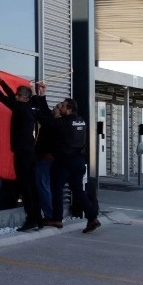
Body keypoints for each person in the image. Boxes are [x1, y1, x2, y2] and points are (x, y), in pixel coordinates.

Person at [0, 69, 42, 231]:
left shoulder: (21, 109)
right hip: (29, 153)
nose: (16, 96)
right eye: (17, 95)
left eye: (19, 95)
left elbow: (1, 97)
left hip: (23, 154)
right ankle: (38, 218)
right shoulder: (28, 107)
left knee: (25, 187)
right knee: (32, 187)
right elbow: (10, 94)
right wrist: (0, 78)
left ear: (25, 98)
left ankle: (31, 219)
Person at [36, 88, 100, 233]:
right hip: (79, 161)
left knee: (57, 188)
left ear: (69, 109)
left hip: (64, 162)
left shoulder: (63, 123)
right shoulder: (81, 121)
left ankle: (57, 219)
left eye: (63, 106)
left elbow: (46, 120)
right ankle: (92, 218)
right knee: (78, 190)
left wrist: (39, 100)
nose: (60, 108)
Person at [33, 100, 62, 222]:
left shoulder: (55, 123)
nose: (53, 108)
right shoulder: (55, 121)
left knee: (42, 185)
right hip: (49, 159)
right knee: (47, 185)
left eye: (57, 107)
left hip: (46, 159)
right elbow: (45, 111)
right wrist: (41, 97)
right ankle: (51, 213)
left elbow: (43, 115)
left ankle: (49, 215)